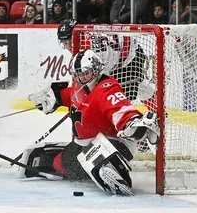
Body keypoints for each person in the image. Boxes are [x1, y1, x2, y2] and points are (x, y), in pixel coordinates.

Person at [21, 50, 160, 195]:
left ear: (96, 69)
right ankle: (94, 170)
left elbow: (119, 107)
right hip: (83, 144)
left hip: (114, 143)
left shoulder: (106, 88)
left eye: (86, 73)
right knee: (59, 164)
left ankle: (118, 172)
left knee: (95, 155)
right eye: (79, 74)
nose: (82, 77)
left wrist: (130, 121)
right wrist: (54, 97)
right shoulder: (78, 88)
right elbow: (68, 96)